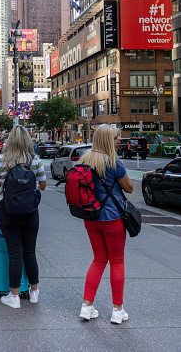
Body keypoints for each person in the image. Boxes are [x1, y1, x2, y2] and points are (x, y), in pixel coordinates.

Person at [78, 124, 133, 324]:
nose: (120, 141)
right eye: (117, 138)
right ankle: (117, 310)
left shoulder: (85, 158)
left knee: (99, 259)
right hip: (112, 218)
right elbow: (129, 188)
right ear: (109, 140)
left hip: (91, 217)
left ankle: (87, 306)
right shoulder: (113, 161)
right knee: (117, 261)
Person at [0, 125, 46, 309]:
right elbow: (43, 186)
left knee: (15, 253)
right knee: (30, 252)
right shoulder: (35, 160)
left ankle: (14, 297)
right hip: (30, 212)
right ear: (28, 141)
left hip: (8, 211)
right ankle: (34, 292)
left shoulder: (2, 160)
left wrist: (7, 183)